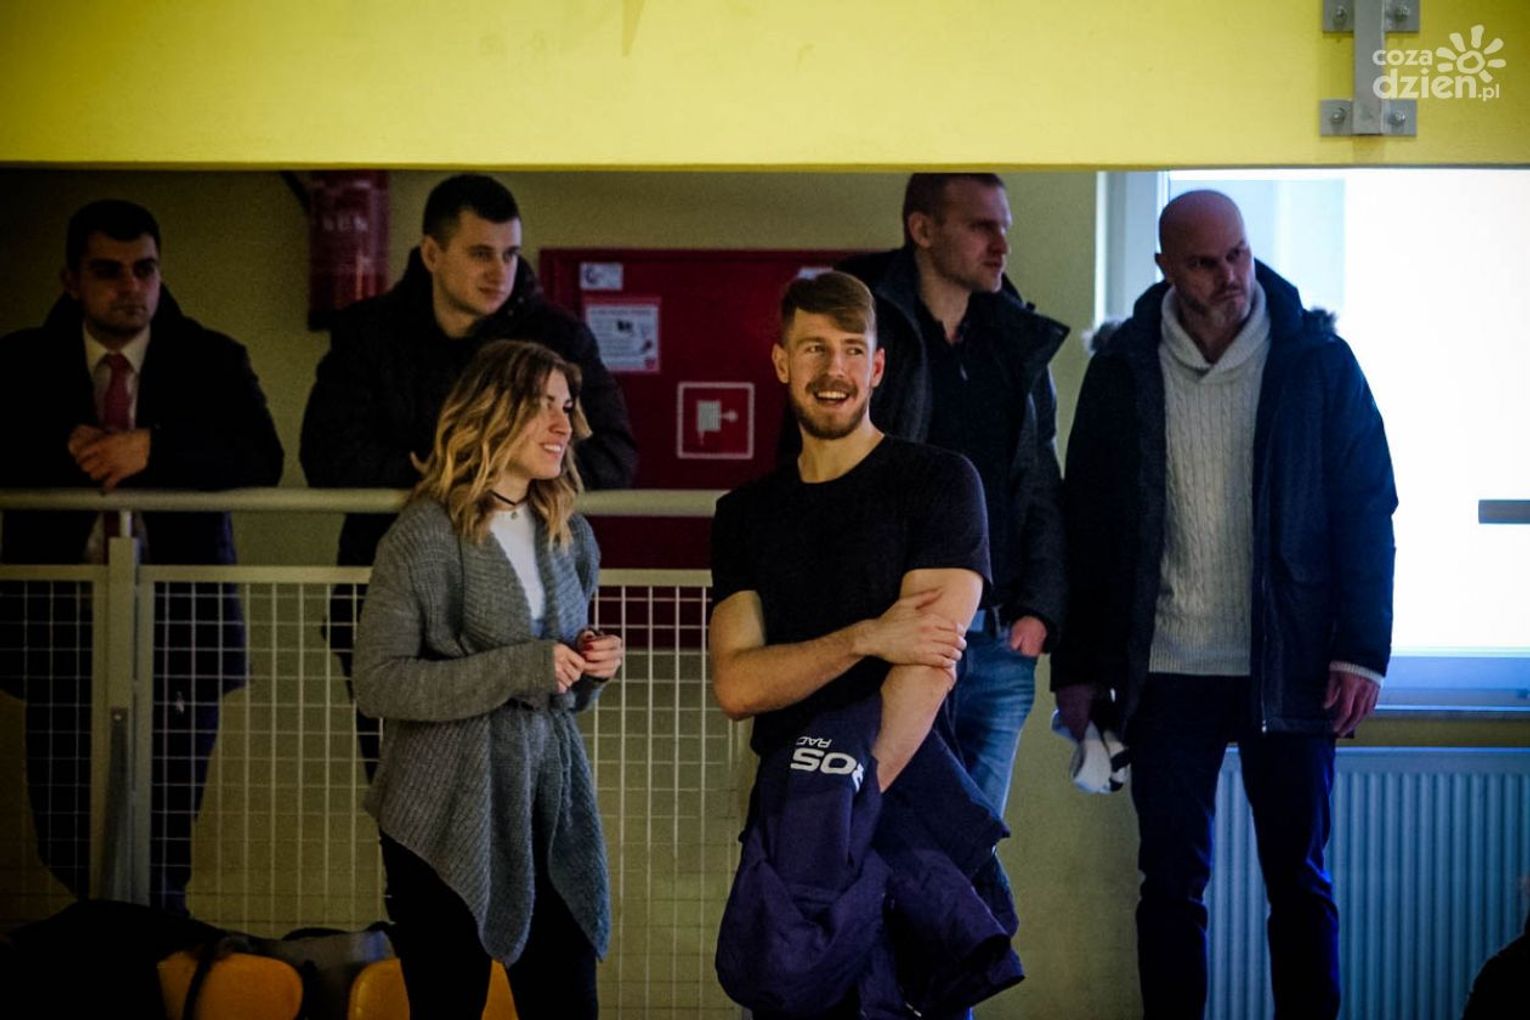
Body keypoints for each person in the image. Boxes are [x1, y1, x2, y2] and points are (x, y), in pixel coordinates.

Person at [1053, 191, 1396, 1019]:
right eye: (1206, 263)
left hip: (1291, 660)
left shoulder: (1317, 360)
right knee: (1170, 884)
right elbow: (1085, 525)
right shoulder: (1123, 366)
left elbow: (1367, 506)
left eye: (1238, 254)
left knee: (1299, 881)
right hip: (1166, 667)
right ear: (1166, 268)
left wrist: (1361, 651)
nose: (1231, 275)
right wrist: (1078, 667)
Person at [712, 272, 1021, 1017]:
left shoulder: (940, 483)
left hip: (904, 805)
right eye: (814, 348)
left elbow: (928, 664)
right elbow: (739, 686)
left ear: (878, 367)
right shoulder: (745, 514)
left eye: (853, 349)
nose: (835, 369)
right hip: (791, 817)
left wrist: (845, 806)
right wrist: (867, 636)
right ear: (782, 362)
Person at [0, 199, 285, 913]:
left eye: (145, 269)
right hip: (62, 623)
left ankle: (149, 950)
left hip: (179, 626)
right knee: (66, 828)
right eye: (109, 271)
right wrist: (63, 446)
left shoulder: (211, 358)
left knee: (163, 827)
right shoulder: (22, 361)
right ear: (71, 280)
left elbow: (261, 455)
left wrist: (154, 448)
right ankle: (108, 946)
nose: (131, 286)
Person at [300, 173, 636, 775]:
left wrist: (514, 469)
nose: (499, 271)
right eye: (481, 253)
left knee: (528, 781)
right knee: (406, 787)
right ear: (432, 253)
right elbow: (324, 452)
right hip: (389, 576)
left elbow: (615, 455)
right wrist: (442, 476)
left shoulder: (557, 338)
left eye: (510, 254)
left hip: (525, 588)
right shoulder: (369, 333)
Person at [352, 339, 621, 1020]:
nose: (564, 424)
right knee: (449, 1004)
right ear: (493, 411)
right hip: (441, 808)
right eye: (543, 406)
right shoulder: (424, 533)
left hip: (547, 800)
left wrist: (589, 665)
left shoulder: (569, 532)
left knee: (568, 999)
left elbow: (557, 690)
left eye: (567, 406)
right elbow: (378, 682)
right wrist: (519, 666)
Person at [829, 173, 1069, 819]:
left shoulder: (1013, 339)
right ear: (923, 230)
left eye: (1004, 227)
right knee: (879, 832)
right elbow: (823, 477)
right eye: (981, 226)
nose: (1001, 245)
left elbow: (1037, 481)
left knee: (972, 845)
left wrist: (1039, 608)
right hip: (898, 637)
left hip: (998, 640)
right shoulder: (865, 330)